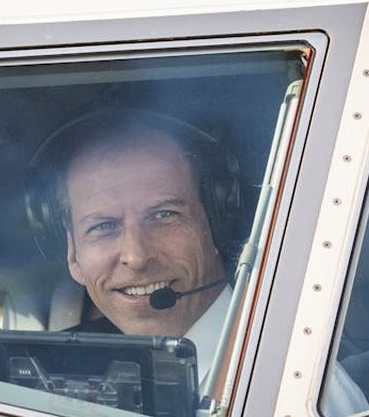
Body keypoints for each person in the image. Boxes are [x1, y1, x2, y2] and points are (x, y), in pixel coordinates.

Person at [26, 109, 240, 379]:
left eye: (164, 215)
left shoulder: (295, 350)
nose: (136, 256)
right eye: (102, 226)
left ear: (215, 222)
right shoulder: (49, 374)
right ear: (73, 254)